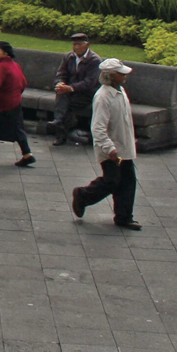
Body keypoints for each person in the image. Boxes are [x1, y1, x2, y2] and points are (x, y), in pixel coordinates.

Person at [71, 59, 141, 230]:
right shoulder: (103, 97)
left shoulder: (120, 91)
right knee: (112, 180)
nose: (125, 75)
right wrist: (110, 148)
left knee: (127, 181)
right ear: (112, 76)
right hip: (111, 149)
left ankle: (124, 216)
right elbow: (98, 128)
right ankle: (83, 195)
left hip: (122, 147)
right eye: (121, 73)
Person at [50, 32, 100, 145]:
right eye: (74, 44)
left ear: (87, 45)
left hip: (87, 94)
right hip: (70, 91)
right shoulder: (68, 57)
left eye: (79, 44)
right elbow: (61, 74)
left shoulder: (94, 60)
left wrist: (71, 88)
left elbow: (90, 83)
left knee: (66, 104)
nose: (76, 47)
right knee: (61, 93)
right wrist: (60, 83)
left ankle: (59, 128)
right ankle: (59, 125)